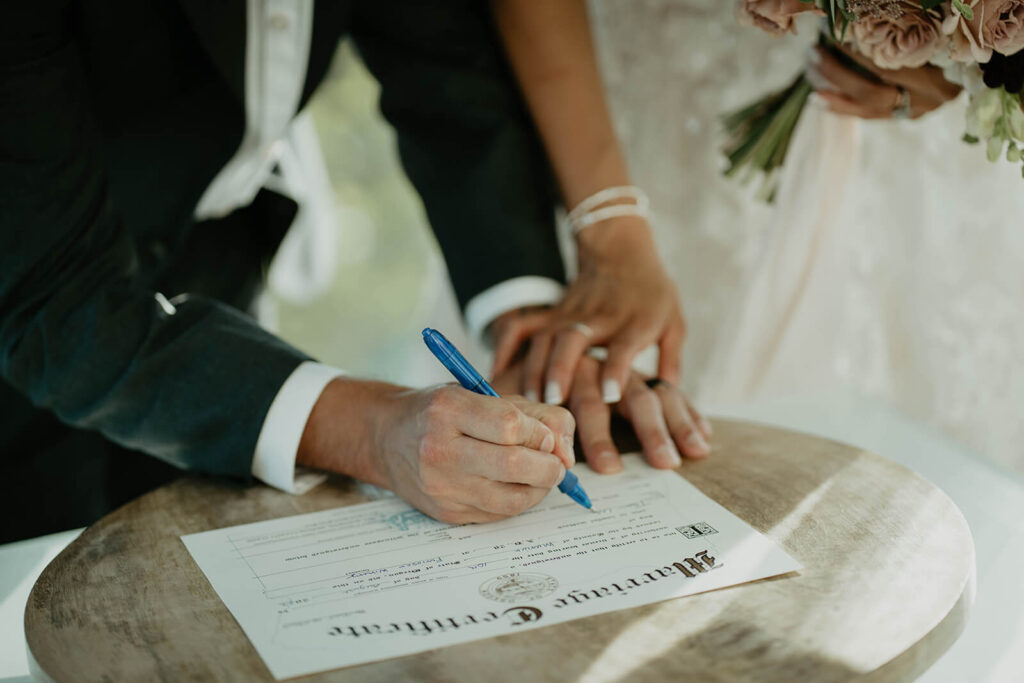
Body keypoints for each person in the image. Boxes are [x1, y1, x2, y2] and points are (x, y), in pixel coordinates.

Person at [0, 0, 708, 544]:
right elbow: (53, 294)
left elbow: (447, 79)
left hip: (214, 313)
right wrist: (373, 429)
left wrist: (533, 333)